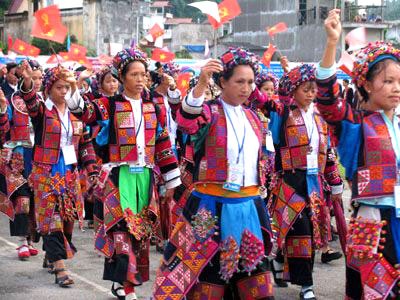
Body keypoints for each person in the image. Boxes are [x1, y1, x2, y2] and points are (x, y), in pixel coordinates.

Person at [154, 48, 274, 300]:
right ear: (222, 83)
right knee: (208, 282)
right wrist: (200, 85)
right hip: (211, 206)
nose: (246, 88)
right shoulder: (209, 111)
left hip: (248, 207)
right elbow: (186, 121)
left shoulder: (254, 117)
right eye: (239, 81)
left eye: (250, 82)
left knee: (255, 283)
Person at [66, 48, 181, 300]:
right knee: (120, 230)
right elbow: (83, 112)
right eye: (134, 75)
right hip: (119, 176)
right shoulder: (109, 104)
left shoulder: (154, 108)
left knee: (139, 232)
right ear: (122, 76)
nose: (140, 80)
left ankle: (125, 280)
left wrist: (172, 179)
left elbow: (162, 143)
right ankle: (125, 286)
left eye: (144, 75)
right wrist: (74, 88)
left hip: (145, 177)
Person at [317, 9, 400, 300]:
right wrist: (331, 43)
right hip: (375, 221)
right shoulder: (356, 125)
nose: (396, 88)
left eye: (399, 81)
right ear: (365, 83)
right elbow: (326, 99)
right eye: (387, 81)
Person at [259, 62, 344, 299]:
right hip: (289, 180)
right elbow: (264, 103)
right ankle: (305, 283)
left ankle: (290, 271)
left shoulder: (320, 116)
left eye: (314, 89)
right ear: (293, 90)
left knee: (311, 233)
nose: (310, 93)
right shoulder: (283, 112)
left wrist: (335, 182)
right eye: (305, 88)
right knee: (300, 230)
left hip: (314, 183)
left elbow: (327, 152)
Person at [18, 61, 98, 287]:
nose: (64, 92)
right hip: (46, 172)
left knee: (68, 219)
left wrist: (92, 170)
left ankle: (51, 255)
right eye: (59, 87)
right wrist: (27, 81)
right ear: (49, 89)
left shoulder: (78, 113)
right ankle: (60, 266)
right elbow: (30, 102)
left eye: (67, 88)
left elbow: (85, 144)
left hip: (70, 173)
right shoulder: (43, 111)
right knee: (51, 218)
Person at [0, 59, 43, 261]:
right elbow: (4, 129)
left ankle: (32, 238)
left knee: (37, 200)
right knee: (22, 200)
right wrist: (1, 110)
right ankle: (21, 242)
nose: (36, 81)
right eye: (31, 78)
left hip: (42, 157)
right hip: (18, 156)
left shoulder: (49, 101)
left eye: (39, 78)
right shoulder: (12, 101)